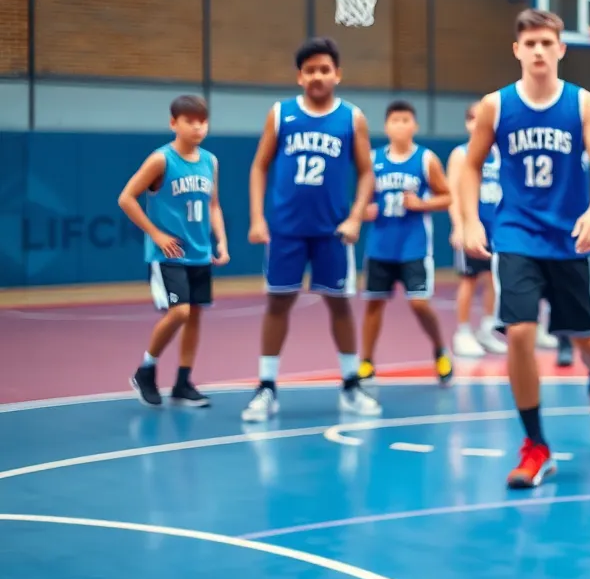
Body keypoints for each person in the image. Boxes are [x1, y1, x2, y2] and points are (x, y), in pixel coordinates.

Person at [460, 8, 590, 489]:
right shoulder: (496, 106)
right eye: (529, 43)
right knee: (521, 334)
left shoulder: (582, 104)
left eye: (546, 43)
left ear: (560, 48)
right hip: (516, 235)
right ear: (516, 50)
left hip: (570, 238)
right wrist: (469, 220)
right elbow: (469, 167)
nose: (537, 51)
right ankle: (535, 444)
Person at [241, 37, 381, 422]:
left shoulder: (351, 117)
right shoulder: (281, 113)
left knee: (339, 303)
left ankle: (351, 384)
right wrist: (257, 217)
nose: (318, 76)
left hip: (332, 231)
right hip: (286, 229)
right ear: (299, 77)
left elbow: (367, 171)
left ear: (337, 74)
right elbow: (259, 166)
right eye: (310, 70)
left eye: (325, 69)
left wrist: (355, 216)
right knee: (278, 302)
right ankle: (266, 387)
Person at [121, 94, 229, 408]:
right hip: (169, 254)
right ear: (173, 123)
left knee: (194, 315)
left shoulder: (211, 161)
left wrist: (221, 241)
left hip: (199, 252)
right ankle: (146, 369)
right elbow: (126, 198)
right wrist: (156, 234)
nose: (197, 127)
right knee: (179, 312)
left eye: (202, 121)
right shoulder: (161, 160)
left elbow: (214, 204)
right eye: (190, 121)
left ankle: (183, 382)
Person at [359, 100, 454, 384]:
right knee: (374, 305)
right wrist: (364, 212)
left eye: (405, 120)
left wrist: (423, 203)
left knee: (419, 304)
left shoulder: (426, 159)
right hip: (380, 246)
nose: (400, 126)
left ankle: (439, 349)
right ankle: (366, 361)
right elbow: (360, 202)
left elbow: (447, 196)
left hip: (413, 246)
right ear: (386, 126)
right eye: (394, 121)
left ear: (415, 126)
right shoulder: (373, 159)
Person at [446, 103, 507, 358]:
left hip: (497, 229)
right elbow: (452, 194)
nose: (477, 123)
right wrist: (459, 226)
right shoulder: (461, 154)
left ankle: (486, 329)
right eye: (472, 119)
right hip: (472, 227)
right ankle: (462, 332)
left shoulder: (499, 153)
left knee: (494, 279)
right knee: (468, 280)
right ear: (467, 123)